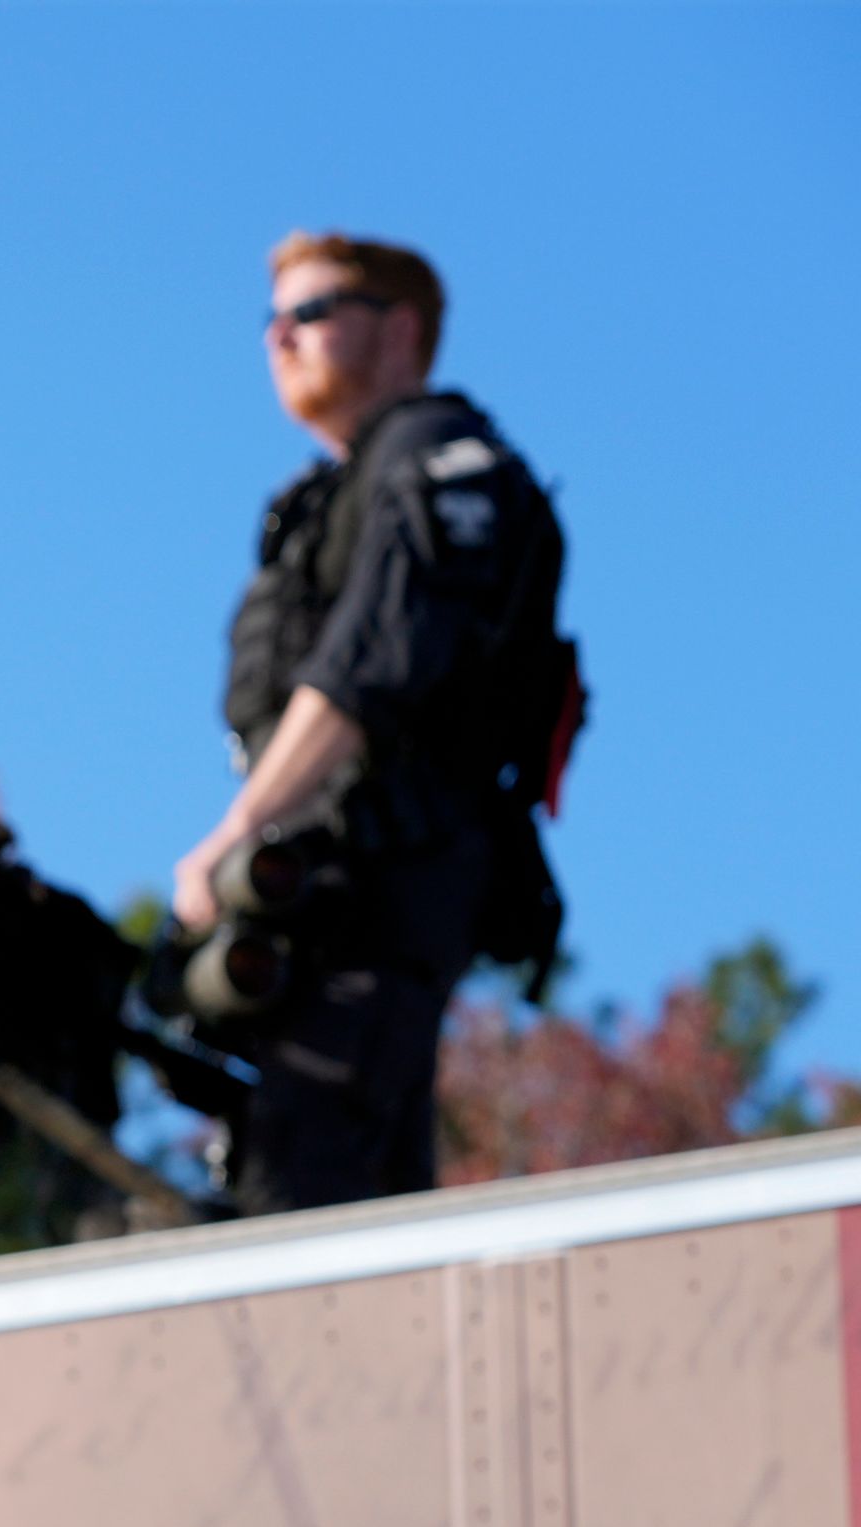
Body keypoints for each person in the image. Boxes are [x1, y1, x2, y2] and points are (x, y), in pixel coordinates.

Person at [172, 232, 576, 1214]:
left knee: (309, 1189)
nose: (281, 338)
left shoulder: (441, 461)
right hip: (310, 899)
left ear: (400, 330)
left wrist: (235, 834)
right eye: (270, 320)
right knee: (345, 1187)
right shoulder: (320, 501)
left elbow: (372, 670)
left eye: (311, 312)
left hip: (383, 882)